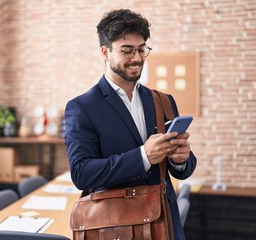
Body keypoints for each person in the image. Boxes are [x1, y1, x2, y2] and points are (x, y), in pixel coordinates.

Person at [64, 9, 197, 240]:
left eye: (141, 49)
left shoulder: (163, 101)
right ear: (105, 52)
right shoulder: (82, 107)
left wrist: (181, 160)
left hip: (164, 225)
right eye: (127, 51)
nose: (136, 58)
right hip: (114, 227)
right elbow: (81, 173)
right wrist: (143, 156)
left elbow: (183, 170)